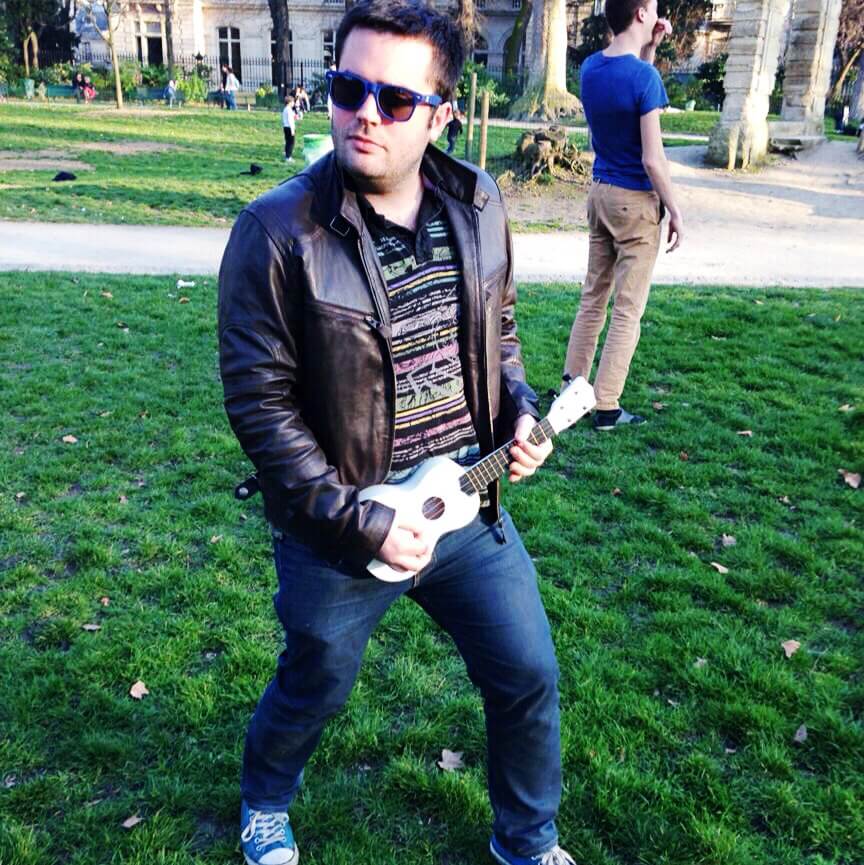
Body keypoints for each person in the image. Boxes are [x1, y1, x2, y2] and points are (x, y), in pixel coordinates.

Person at [218, 2, 576, 864]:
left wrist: (520, 410)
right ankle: (265, 799)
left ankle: (526, 841)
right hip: (339, 521)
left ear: (442, 115)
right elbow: (261, 408)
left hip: (463, 501)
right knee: (315, 682)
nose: (365, 115)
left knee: (528, 672)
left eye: (396, 99)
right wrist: (359, 520)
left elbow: (500, 335)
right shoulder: (275, 233)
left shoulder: (478, 201)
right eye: (348, 88)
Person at [561, 0, 684, 430]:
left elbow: (626, 91)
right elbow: (653, 158)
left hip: (601, 193)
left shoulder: (591, 68)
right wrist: (675, 209)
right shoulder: (645, 79)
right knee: (627, 309)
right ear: (641, 14)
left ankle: (570, 390)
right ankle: (607, 406)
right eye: (653, 7)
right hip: (635, 202)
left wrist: (651, 48)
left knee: (593, 297)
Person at [281, 95, 296, 162]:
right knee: (291, 143)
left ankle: (286, 154)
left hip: (285, 127)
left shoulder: (285, 109)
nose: (294, 103)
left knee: (287, 142)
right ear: (289, 102)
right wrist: (292, 130)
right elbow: (290, 120)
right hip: (290, 128)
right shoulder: (289, 110)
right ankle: (288, 157)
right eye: (293, 102)